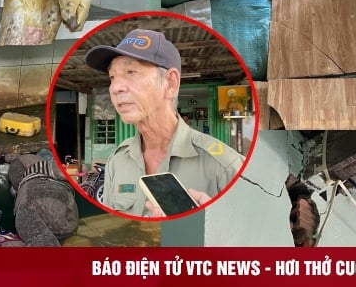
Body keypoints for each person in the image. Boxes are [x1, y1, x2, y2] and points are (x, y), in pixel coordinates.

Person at [84, 28, 244, 217]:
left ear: (170, 83)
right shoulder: (117, 162)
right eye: (112, 77)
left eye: (130, 72)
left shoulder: (226, 166)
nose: (115, 87)